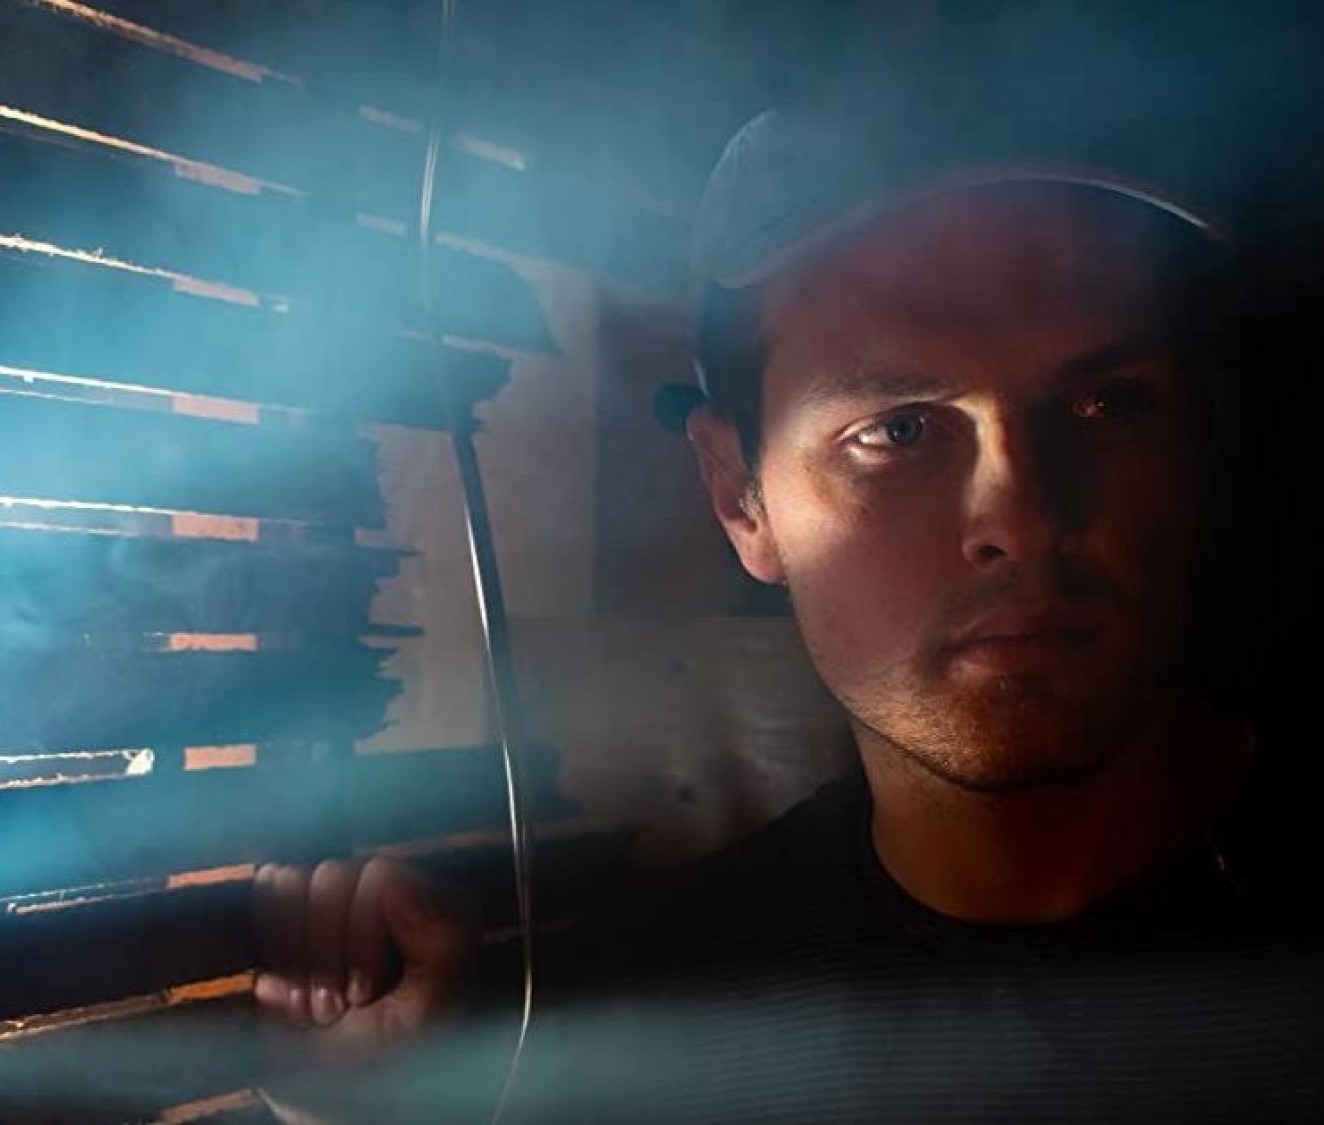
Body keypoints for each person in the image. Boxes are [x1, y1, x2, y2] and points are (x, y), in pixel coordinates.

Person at [253, 97, 1324, 1123]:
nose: (1024, 518)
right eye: (899, 431)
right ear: (739, 497)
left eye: (1106, 403)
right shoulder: (652, 1029)